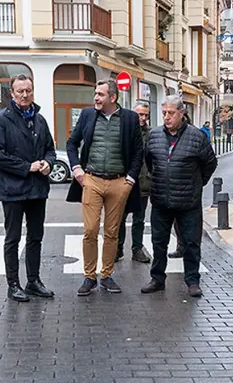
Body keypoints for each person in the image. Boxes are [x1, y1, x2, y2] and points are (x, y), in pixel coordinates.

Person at [66, 79, 144, 296]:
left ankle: (106, 275)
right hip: (92, 180)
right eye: (95, 94)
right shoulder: (87, 115)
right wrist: (77, 169)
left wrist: (130, 179)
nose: (96, 98)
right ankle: (89, 276)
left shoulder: (129, 118)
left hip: (119, 182)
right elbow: (71, 143)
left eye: (100, 94)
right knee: (90, 230)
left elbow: (139, 151)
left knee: (111, 232)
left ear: (113, 97)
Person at [0, 74, 57, 303]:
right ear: (12, 93)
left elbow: (50, 149)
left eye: (29, 90)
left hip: (37, 189)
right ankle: (13, 284)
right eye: (20, 91)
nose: (25, 95)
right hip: (13, 189)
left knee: (36, 237)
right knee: (13, 238)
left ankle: (33, 281)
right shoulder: (1, 119)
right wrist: (28, 167)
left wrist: (48, 162)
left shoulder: (39, 119)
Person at [141, 95, 218, 298]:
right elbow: (149, 161)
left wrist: (197, 183)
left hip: (188, 201)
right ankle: (157, 279)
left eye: (171, 113)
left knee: (191, 243)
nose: (166, 117)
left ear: (182, 114)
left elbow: (210, 163)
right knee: (159, 242)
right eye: (164, 113)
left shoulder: (196, 136)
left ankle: (192, 281)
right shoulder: (155, 135)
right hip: (160, 200)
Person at [116, 103, 153, 263]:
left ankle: (137, 249)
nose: (143, 118)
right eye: (140, 114)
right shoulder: (124, 131)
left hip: (143, 184)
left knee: (139, 219)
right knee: (119, 218)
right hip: (124, 182)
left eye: (146, 115)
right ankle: (117, 248)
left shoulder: (152, 134)